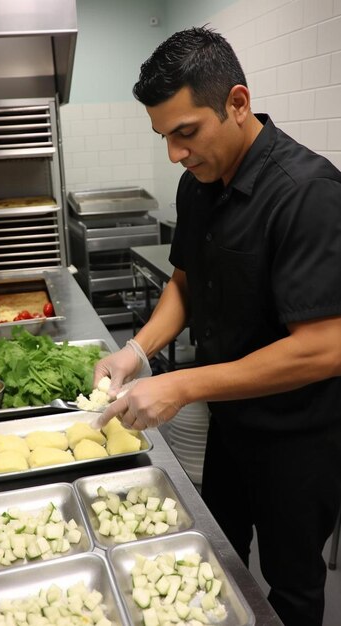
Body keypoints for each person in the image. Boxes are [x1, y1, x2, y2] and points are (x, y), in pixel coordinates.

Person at [94, 25, 341, 626]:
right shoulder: (197, 185)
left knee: (293, 588)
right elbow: (184, 282)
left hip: (297, 440)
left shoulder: (307, 194)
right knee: (216, 556)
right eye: (165, 138)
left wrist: (182, 385)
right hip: (229, 424)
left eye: (186, 133)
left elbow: (324, 348)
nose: (176, 154)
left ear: (237, 102)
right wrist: (138, 351)